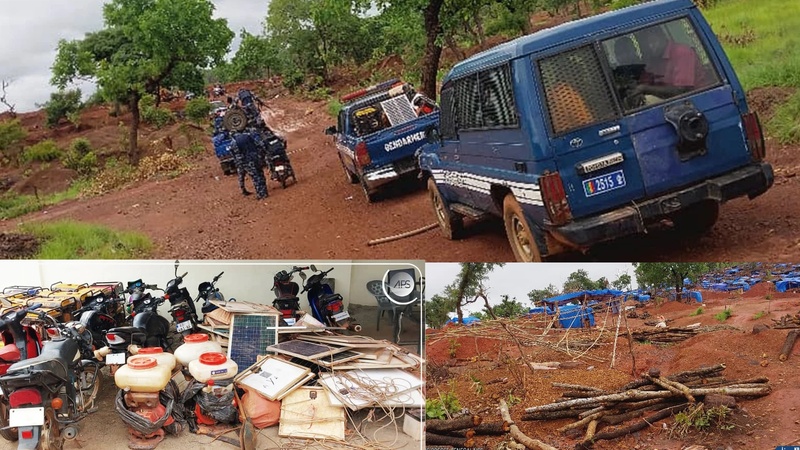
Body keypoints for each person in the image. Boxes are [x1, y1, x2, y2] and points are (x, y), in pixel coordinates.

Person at [633, 25, 713, 99]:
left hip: (697, 99)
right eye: (646, 44)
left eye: (653, 41)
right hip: (670, 102)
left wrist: (645, 89)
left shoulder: (682, 53)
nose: (650, 46)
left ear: (662, 37)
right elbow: (643, 83)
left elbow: (681, 90)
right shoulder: (654, 59)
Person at [230, 130, 268, 200]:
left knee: (255, 177)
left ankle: (261, 194)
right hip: (256, 158)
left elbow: (237, 156)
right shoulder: (248, 136)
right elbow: (259, 145)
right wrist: (262, 155)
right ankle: (265, 192)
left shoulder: (234, 142)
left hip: (247, 161)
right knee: (260, 174)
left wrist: (241, 165)